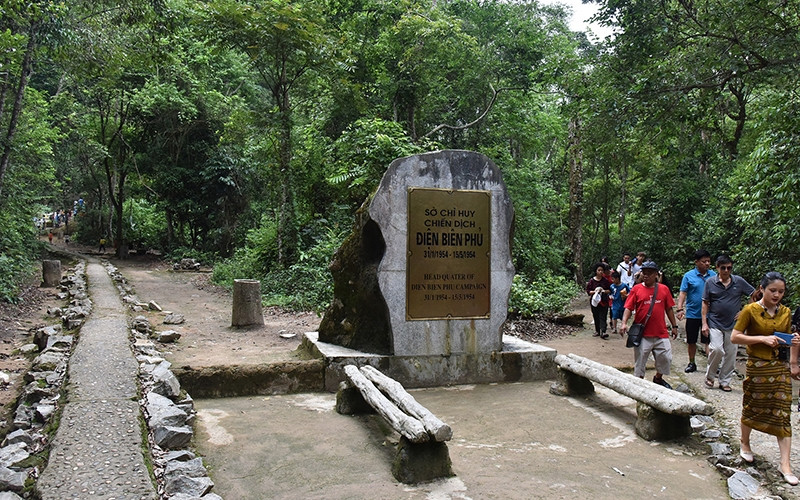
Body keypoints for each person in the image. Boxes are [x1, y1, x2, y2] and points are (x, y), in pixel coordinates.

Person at [731, 272, 800, 485]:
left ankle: (785, 464)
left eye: (781, 292)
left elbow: (785, 339)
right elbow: (735, 337)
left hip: (779, 367)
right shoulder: (750, 310)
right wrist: (762, 339)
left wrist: (793, 342)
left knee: (783, 412)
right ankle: (745, 442)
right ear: (762, 289)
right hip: (758, 366)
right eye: (773, 291)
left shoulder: (786, 312)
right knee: (752, 406)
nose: (777, 295)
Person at [619, 261, 679, 388]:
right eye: (644, 273)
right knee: (640, 361)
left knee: (666, 358)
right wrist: (624, 323)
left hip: (661, 332)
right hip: (642, 334)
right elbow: (628, 307)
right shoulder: (636, 289)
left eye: (649, 273)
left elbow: (669, 309)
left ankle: (658, 378)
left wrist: (674, 326)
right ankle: (638, 384)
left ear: (656, 274)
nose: (646, 275)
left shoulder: (664, 289)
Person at [701, 255, 755, 391]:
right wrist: (704, 323)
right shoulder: (710, 282)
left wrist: (745, 311)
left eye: (729, 268)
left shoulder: (739, 281)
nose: (726, 271)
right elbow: (705, 303)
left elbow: (754, 295)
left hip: (734, 324)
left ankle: (725, 381)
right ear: (717, 268)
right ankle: (710, 376)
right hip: (715, 321)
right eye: (723, 268)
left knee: (731, 353)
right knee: (716, 349)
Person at [676, 249, 716, 373]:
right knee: (691, 340)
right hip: (693, 314)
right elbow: (683, 292)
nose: (707, 264)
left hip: (709, 315)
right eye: (704, 261)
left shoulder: (714, 275)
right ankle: (692, 362)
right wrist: (680, 308)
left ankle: (713, 365)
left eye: (708, 261)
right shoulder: (688, 276)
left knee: (709, 341)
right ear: (697, 262)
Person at [586, 263, 612, 339]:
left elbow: (609, 290)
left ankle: (603, 331)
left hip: (604, 301)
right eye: (599, 270)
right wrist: (595, 292)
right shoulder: (591, 281)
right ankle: (597, 330)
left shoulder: (605, 281)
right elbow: (588, 291)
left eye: (602, 270)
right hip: (595, 302)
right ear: (596, 271)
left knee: (603, 316)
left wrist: (603, 291)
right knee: (596, 315)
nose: (600, 272)